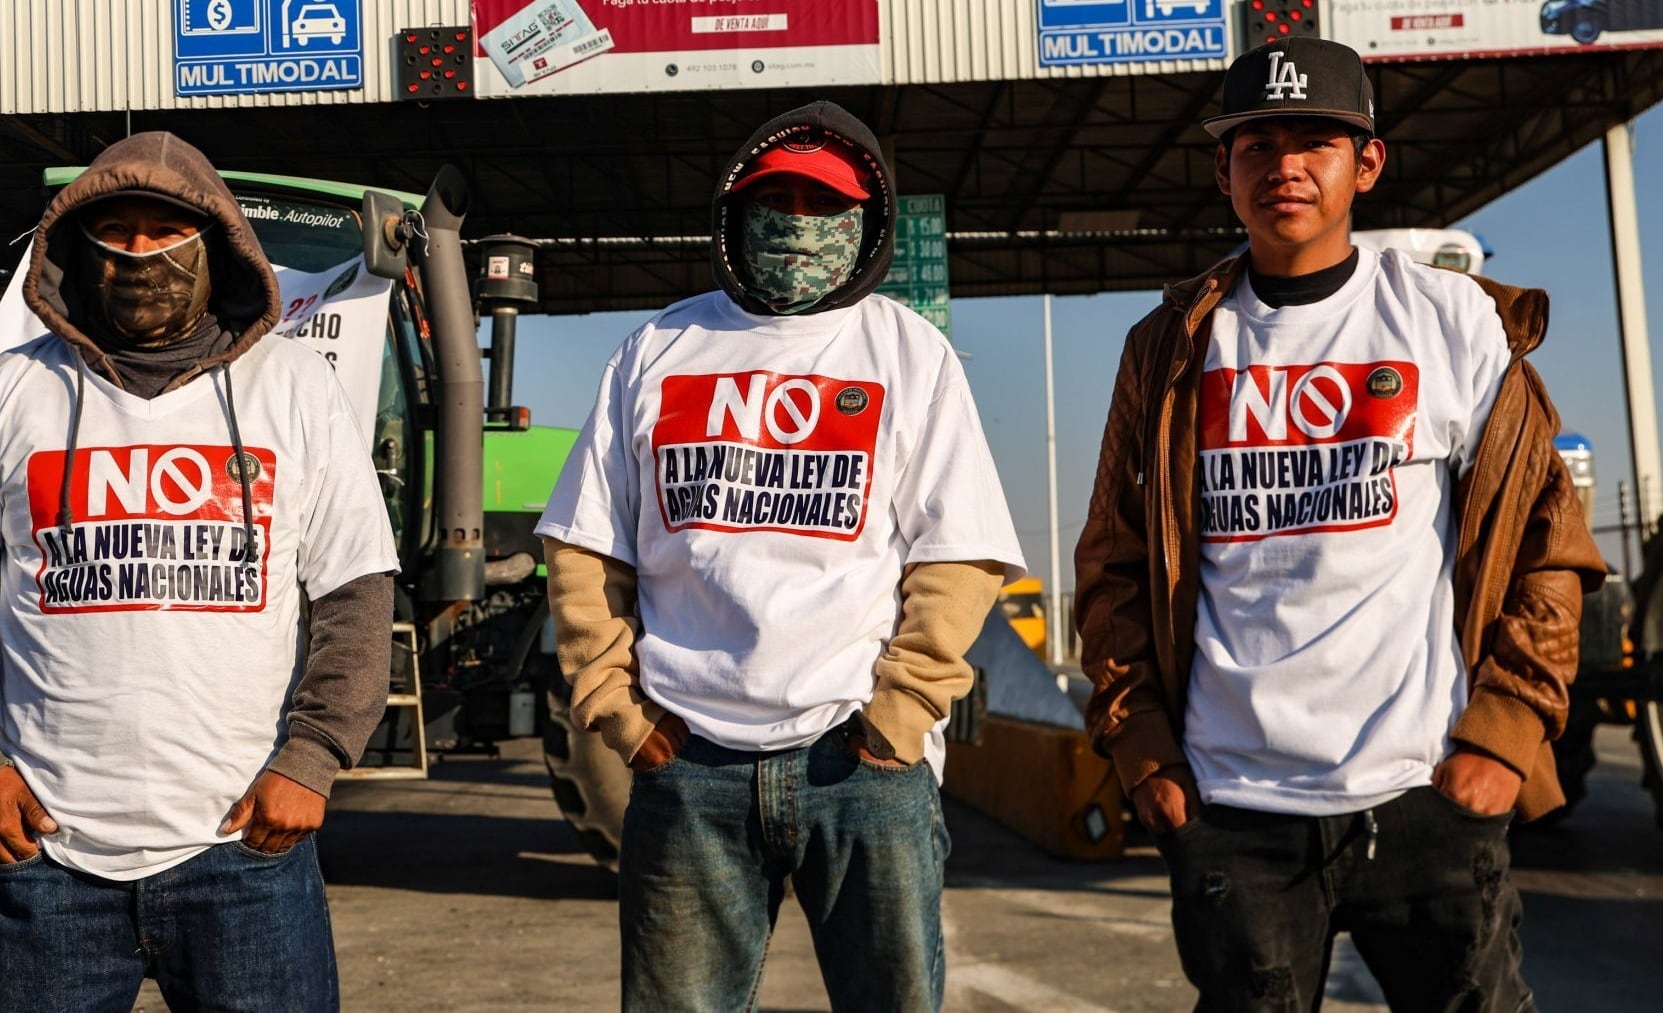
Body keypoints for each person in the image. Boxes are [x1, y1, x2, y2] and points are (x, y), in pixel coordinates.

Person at [1075, 37, 1605, 1011]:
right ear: (1223, 170)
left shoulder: (1450, 321)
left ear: (1367, 162)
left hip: (1426, 790)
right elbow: (1112, 563)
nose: (1284, 165)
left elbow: (1549, 543)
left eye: (1315, 140)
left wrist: (1509, 728)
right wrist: (1143, 749)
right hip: (1235, 806)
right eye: (1256, 143)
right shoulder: (1168, 349)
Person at [0, 131, 397, 1011]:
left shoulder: (293, 388)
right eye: (115, 231)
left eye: (164, 230)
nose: (138, 253)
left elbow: (355, 592)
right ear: (78, 248)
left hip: (244, 852)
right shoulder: (11, 391)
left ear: (217, 243)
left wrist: (311, 756)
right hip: (48, 860)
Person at [536, 101, 1023, 1012]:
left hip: (862, 769)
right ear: (734, 212)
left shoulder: (909, 353)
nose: (798, 224)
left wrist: (897, 717)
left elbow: (960, 556)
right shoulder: (656, 349)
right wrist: (621, 714)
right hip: (686, 769)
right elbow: (584, 548)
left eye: (824, 204)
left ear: (867, 221)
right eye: (777, 200)